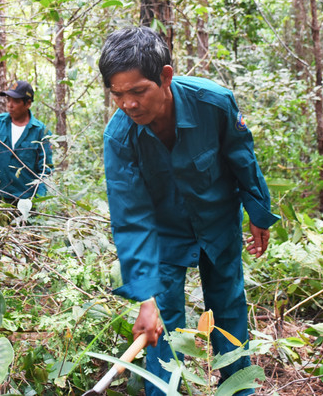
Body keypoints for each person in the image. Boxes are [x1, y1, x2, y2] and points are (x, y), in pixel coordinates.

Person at [97, 27, 279, 396]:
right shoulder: (120, 138)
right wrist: (146, 298)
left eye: (137, 91)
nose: (128, 104)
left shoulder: (214, 103)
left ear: (165, 77)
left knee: (228, 310)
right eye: (118, 95)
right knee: (162, 327)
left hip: (217, 220)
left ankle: (237, 390)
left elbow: (242, 157)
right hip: (163, 235)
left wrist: (259, 211)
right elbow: (130, 219)